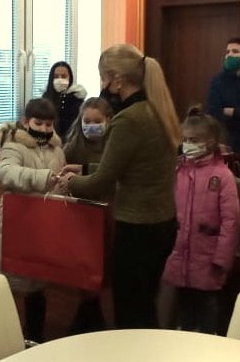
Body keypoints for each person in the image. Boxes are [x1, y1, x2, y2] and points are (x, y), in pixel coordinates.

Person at [58, 44, 182, 329]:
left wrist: (71, 182)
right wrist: (84, 169)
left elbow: (101, 183)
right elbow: (136, 167)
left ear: (116, 79)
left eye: (102, 77)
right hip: (163, 224)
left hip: (137, 229)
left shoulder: (128, 119)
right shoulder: (157, 109)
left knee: (130, 313)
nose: (102, 85)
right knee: (145, 306)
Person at [0, 98, 66, 342]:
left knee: (37, 287)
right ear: (26, 121)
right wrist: (42, 178)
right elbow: (4, 172)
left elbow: (58, 182)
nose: (43, 129)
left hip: (42, 226)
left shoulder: (57, 149)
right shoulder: (14, 145)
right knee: (5, 284)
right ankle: (2, 338)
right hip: (16, 225)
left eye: (48, 124)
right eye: (38, 123)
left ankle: (35, 338)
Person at [161, 106, 240, 334]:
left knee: (207, 311)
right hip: (180, 255)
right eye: (185, 139)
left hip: (209, 258)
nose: (188, 144)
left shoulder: (222, 176)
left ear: (210, 142)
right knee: (184, 310)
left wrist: (222, 260)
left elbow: (231, 221)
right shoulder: (178, 171)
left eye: (194, 140)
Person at [62, 97, 113, 334]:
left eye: (97, 121)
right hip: (82, 211)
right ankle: (89, 312)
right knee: (84, 265)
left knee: (103, 265)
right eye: (87, 121)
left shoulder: (115, 144)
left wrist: (84, 173)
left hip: (109, 211)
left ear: (108, 120)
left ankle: (92, 314)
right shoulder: (74, 144)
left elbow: (112, 177)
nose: (91, 126)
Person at [42, 61, 87, 141]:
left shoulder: (77, 97)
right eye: (56, 76)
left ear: (70, 77)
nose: (60, 79)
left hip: (71, 140)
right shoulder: (45, 98)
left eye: (63, 76)